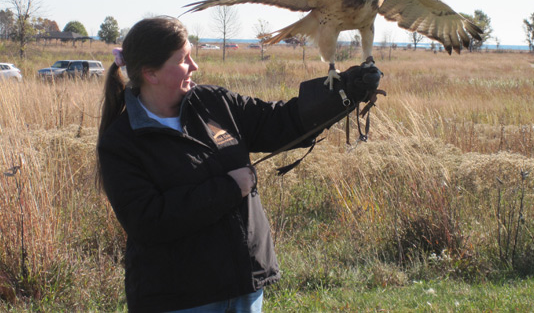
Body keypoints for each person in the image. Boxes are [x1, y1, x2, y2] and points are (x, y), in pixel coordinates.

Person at [96, 16, 381, 313]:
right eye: (184, 59)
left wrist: (342, 92)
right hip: (180, 299)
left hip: (244, 290)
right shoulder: (122, 141)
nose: (194, 66)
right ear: (151, 73)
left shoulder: (215, 103)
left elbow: (282, 122)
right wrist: (231, 187)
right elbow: (149, 221)